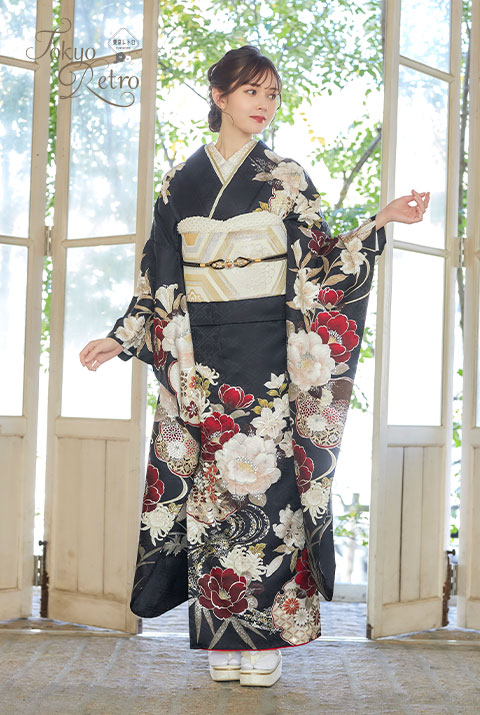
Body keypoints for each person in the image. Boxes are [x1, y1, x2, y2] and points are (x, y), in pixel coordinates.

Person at [79, 45, 429, 687]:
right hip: (202, 358)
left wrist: (380, 221)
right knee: (213, 495)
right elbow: (159, 271)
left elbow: (321, 260)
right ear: (219, 97)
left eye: (271, 94)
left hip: (270, 357)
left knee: (271, 491)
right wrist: (121, 337)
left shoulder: (286, 177)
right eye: (251, 92)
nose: (264, 104)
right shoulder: (178, 183)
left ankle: (267, 637)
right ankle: (223, 635)